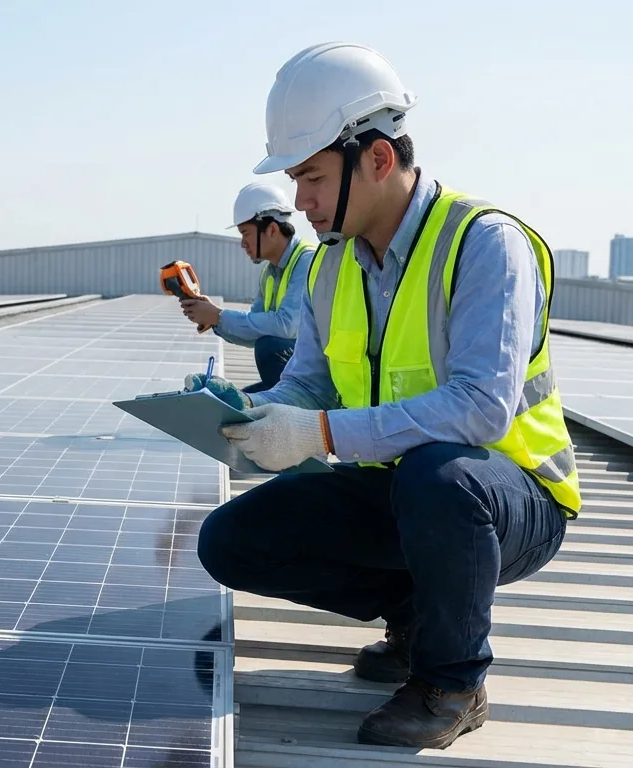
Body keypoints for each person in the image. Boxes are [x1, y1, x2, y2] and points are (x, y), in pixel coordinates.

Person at [186, 42, 582, 750]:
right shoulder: (331, 267)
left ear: (376, 158)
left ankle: (452, 682)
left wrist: (320, 436)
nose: (299, 201)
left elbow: (480, 410)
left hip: (507, 498)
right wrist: (246, 415)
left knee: (439, 475)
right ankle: (418, 616)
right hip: (401, 492)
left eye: (310, 177)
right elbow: (308, 381)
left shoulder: (484, 244)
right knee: (232, 540)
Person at [179, 183, 318, 393]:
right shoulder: (269, 273)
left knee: (269, 349)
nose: (243, 243)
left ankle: (296, 410)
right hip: (299, 369)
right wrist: (213, 320)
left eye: (246, 234)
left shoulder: (306, 261)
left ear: (271, 229)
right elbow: (254, 331)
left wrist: (219, 316)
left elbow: (286, 326)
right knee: (235, 404)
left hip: (320, 377)